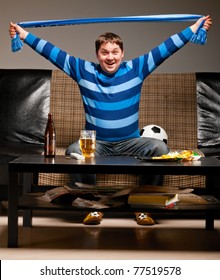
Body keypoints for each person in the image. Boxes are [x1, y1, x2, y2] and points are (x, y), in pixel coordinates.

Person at [9, 15, 212, 226]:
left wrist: (194, 28)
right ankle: (92, 206)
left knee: (159, 148)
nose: (110, 57)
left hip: (131, 142)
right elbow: (52, 52)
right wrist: (23, 35)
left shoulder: (137, 68)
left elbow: (166, 48)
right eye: (104, 52)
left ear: (122, 53)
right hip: (97, 145)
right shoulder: (83, 71)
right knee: (73, 150)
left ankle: (143, 207)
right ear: (97, 54)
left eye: (115, 52)